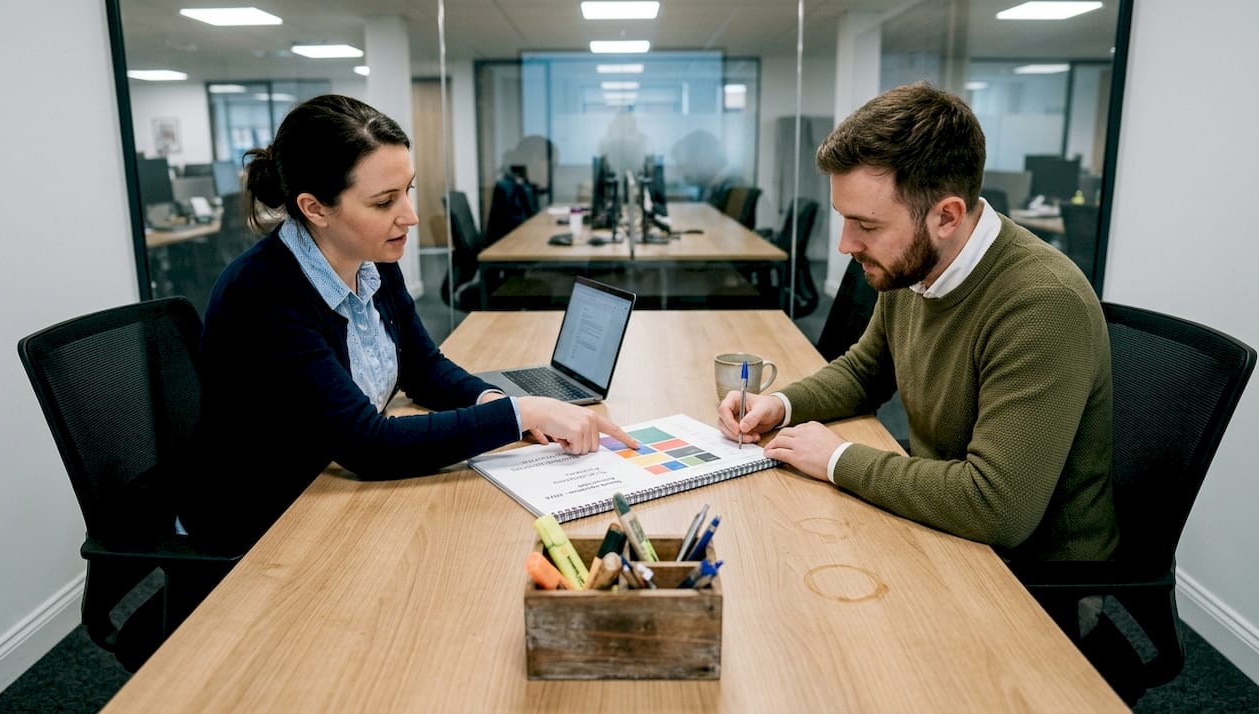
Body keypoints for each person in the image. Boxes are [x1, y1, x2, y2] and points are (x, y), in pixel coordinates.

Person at [180, 95, 637, 550]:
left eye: (407, 191)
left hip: (331, 495)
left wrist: (494, 401)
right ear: (315, 208)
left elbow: (424, 368)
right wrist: (523, 412)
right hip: (264, 526)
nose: (410, 217)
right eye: (383, 202)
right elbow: (367, 445)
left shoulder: (371, 258)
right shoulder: (264, 294)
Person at [718, 82, 1118, 565]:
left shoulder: (1042, 304)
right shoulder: (918, 266)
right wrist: (780, 405)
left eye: (867, 226)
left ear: (946, 216)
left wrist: (837, 459)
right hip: (941, 515)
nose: (845, 245)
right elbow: (864, 372)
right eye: (844, 220)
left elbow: (998, 508)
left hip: (1028, 573)